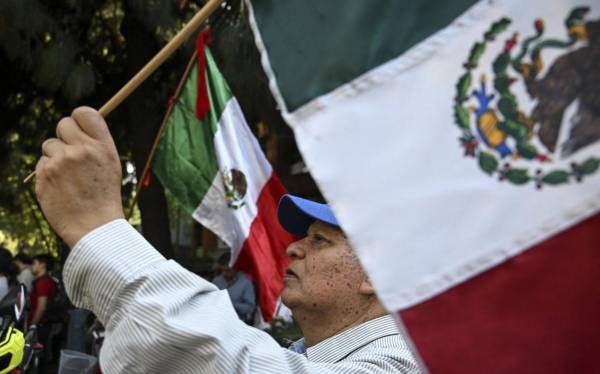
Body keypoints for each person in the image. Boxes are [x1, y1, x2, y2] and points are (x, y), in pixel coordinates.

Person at [34, 107, 421, 372]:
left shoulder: (404, 361)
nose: (293, 247)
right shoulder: (308, 355)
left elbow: (236, 362)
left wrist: (100, 227)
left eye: (320, 241)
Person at [212, 253, 256, 324]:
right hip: (217, 320)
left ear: (235, 268)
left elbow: (250, 308)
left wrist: (231, 304)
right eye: (221, 270)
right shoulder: (217, 281)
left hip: (238, 322)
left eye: (227, 270)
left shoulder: (245, 283)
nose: (224, 274)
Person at [30, 254, 56, 371]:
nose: (32, 266)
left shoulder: (43, 282)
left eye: (34, 263)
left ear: (42, 265)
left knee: (37, 358)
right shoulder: (45, 280)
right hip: (43, 325)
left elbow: (41, 307)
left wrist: (32, 325)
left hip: (40, 326)